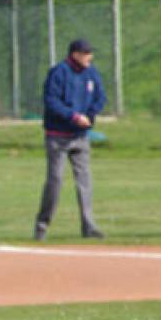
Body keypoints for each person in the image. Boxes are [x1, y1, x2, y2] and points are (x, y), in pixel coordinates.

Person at [34, 39, 107, 241]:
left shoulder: (91, 73)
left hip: (80, 137)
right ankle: (42, 225)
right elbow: (51, 101)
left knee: (85, 181)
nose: (89, 57)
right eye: (85, 53)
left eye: (90, 53)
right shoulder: (59, 72)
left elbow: (100, 98)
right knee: (55, 181)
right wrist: (73, 116)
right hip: (58, 137)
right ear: (74, 54)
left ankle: (89, 226)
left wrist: (90, 116)